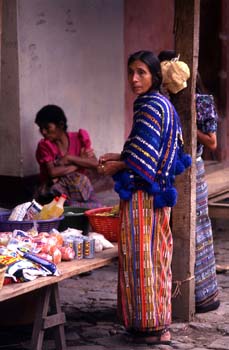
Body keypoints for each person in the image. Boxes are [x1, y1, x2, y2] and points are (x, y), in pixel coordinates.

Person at [98, 50, 191, 345]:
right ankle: (156, 324)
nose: (134, 79)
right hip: (157, 194)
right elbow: (144, 148)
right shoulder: (162, 104)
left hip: (143, 195)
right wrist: (121, 156)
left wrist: (119, 164)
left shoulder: (150, 105)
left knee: (142, 259)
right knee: (157, 256)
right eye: (130, 73)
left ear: (154, 76)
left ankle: (150, 326)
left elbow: (144, 159)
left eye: (141, 72)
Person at [158, 50, 220, 313]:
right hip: (171, 172)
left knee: (198, 231)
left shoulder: (202, 100)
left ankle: (204, 297)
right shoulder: (163, 100)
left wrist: (185, 125)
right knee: (171, 230)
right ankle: (171, 294)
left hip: (194, 170)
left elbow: (212, 142)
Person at [34, 104, 101, 208]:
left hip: (79, 189)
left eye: (47, 127)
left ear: (61, 124)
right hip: (53, 191)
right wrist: (80, 162)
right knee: (65, 206)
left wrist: (70, 158)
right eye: (41, 128)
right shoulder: (44, 145)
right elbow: (53, 172)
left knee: (96, 208)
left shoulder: (79, 138)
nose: (43, 132)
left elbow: (95, 163)